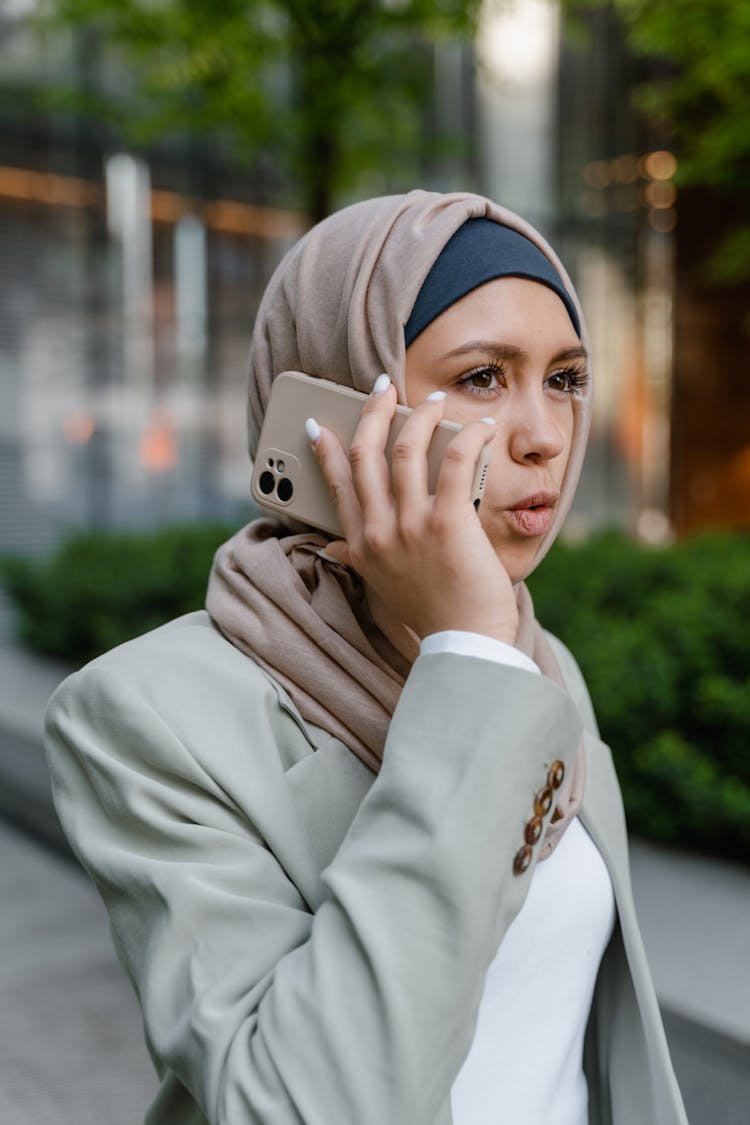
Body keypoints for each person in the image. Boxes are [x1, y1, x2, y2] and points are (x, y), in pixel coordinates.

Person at [45, 190, 688, 1125]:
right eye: (482, 377)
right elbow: (303, 1104)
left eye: (564, 377)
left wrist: (484, 646)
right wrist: (466, 651)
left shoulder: (536, 660)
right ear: (340, 406)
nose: (546, 435)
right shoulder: (144, 717)